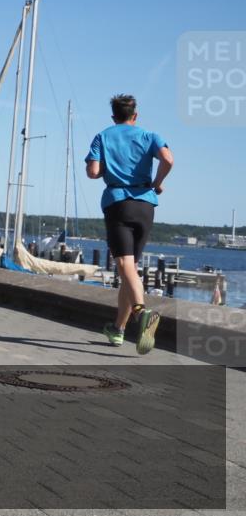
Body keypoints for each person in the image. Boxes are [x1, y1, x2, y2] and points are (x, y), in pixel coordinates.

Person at [85, 94, 173, 355]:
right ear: (135, 115)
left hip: (118, 202)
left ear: (114, 116)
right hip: (146, 206)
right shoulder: (150, 136)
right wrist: (157, 183)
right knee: (130, 269)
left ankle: (141, 312)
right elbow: (168, 159)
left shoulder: (103, 136)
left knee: (124, 265)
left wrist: (107, 168)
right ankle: (118, 329)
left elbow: (92, 172)